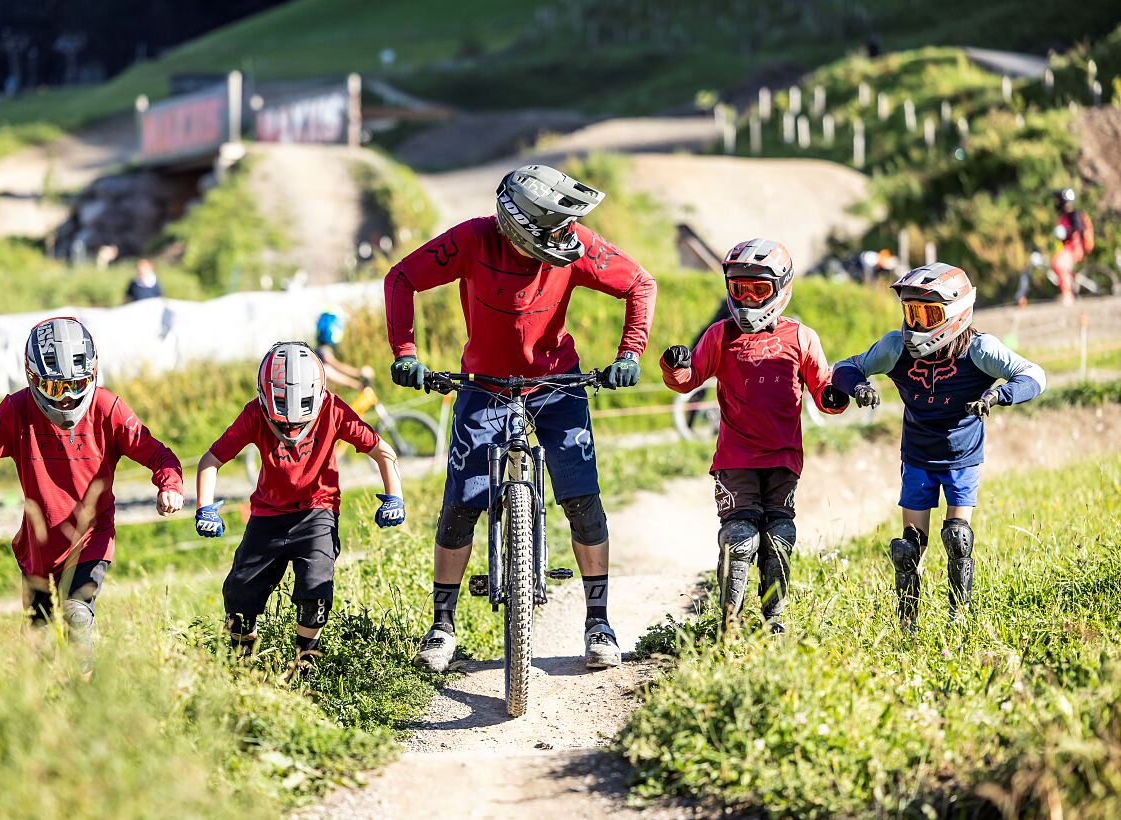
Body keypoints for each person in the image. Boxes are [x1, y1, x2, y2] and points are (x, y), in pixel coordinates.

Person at [384, 163, 656, 672]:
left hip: (558, 384)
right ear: (520, 224)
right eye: (554, 229)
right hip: (483, 385)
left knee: (582, 500)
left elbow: (640, 283)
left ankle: (599, 622)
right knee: (461, 505)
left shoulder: (574, 243)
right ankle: (442, 625)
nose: (565, 236)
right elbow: (401, 278)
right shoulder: (473, 240)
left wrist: (630, 354)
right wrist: (405, 352)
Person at [0, 317, 184, 651]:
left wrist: (169, 484)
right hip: (39, 548)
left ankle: (86, 694)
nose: (68, 398)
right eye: (56, 388)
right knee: (39, 641)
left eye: (78, 384)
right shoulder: (16, 409)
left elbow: (161, 455)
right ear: (33, 378)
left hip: (91, 540)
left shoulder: (106, 408)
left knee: (76, 614)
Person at [830, 263, 1046, 631]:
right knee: (908, 550)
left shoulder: (980, 350)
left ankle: (959, 619)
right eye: (910, 312)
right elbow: (846, 367)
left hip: (962, 459)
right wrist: (859, 387)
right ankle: (907, 623)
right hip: (917, 458)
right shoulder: (896, 347)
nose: (915, 323)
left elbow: (1035, 376)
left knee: (958, 539)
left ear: (957, 311)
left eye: (927, 313)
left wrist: (998, 393)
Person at [659, 238, 847, 634]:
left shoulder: (801, 337)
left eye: (757, 290)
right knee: (740, 538)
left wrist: (837, 395)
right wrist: (673, 366)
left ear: (781, 290)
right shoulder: (720, 335)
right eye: (738, 289)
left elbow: (823, 391)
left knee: (779, 537)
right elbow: (688, 380)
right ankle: (729, 626)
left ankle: (773, 618)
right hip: (735, 459)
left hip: (783, 460)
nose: (746, 299)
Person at [194, 341, 404, 680]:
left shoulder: (333, 410)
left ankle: (305, 666)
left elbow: (382, 450)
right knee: (238, 595)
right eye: (283, 423)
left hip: (317, 512)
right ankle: (242, 666)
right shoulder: (254, 414)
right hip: (268, 517)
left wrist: (394, 496)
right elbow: (211, 460)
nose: (291, 432)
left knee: (316, 592)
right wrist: (205, 507)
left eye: (298, 424)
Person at [1050, 188, 1095, 305]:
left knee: (1058, 264)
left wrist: (1066, 231)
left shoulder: (1075, 215)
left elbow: (1077, 229)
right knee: (1059, 264)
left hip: (1075, 249)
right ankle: (1070, 289)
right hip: (1068, 249)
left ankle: (1067, 295)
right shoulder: (1064, 217)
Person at [314, 308, 374, 391]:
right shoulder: (323, 352)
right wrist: (359, 373)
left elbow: (331, 373)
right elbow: (336, 366)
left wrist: (357, 385)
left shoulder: (318, 354)